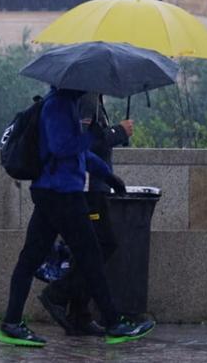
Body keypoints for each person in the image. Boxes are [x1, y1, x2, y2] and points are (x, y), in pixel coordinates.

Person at [0, 87, 156, 348]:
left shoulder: (67, 103)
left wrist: (107, 175)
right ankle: (114, 323)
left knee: (31, 258)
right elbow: (63, 147)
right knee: (91, 255)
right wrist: (91, 136)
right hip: (61, 194)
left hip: (52, 191)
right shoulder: (57, 105)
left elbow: (80, 154)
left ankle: (11, 323)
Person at [39, 94, 133, 335]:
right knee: (102, 245)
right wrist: (119, 132)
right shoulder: (87, 101)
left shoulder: (93, 99)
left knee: (90, 251)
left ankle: (79, 313)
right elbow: (83, 145)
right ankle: (58, 294)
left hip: (96, 186)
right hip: (88, 189)